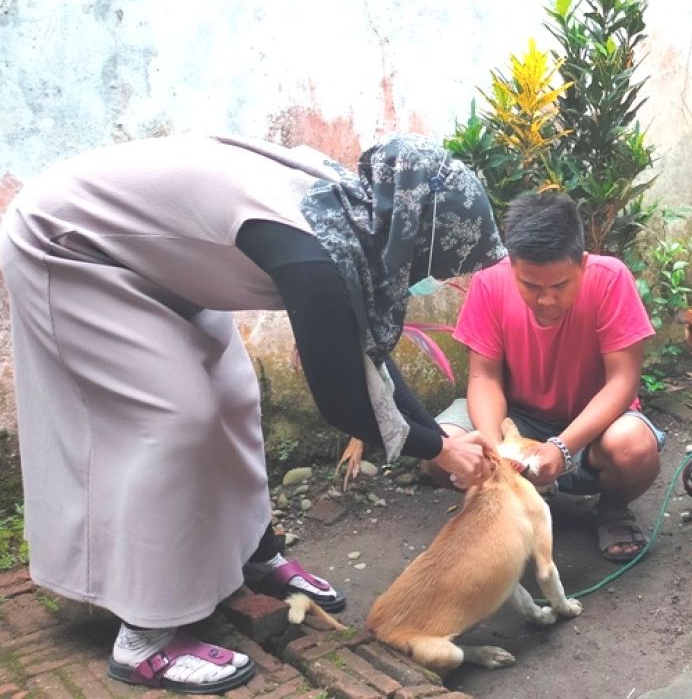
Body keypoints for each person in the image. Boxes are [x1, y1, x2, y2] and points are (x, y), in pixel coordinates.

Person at [0, 132, 505, 694]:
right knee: (176, 421)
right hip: (69, 245)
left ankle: (254, 554)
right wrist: (438, 448)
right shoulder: (313, 253)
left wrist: (437, 436)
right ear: (413, 239)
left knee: (235, 393)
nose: (433, 278)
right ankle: (144, 640)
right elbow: (342, 397)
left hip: (157, 259)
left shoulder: (355, 218)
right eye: (437, 263)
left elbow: (370, 363)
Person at [433, 191, 664, 562]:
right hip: (517, 420)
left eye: (559, 286)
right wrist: (496, 451)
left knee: (634, 447)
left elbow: (623, 381)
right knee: (442, 445)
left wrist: (562, 447)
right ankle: (508, 507)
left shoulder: (610, 279)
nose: (546, 301)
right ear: (511, 267)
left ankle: (611, 508)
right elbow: (483, 378)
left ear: (582, 263)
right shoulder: (489, 284)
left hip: (593, 425)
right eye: (531, 287)